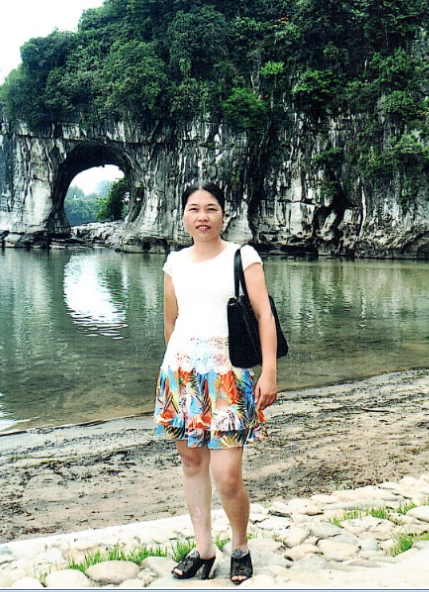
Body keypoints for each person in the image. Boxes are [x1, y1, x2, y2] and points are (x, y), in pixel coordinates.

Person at [154, 182, 278, 584]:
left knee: (226, 474)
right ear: (183, 216)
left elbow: (264, 315)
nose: (202, 216)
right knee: (192, 464)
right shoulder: (174, 263)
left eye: (211, 208)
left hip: (229, 377)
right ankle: (204, 549)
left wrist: (269, 372)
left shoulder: (242, 256)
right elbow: (171, 321)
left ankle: (240, 546)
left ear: (224, 215)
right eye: (194, 209)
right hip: (182, 374)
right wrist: (177, 370)